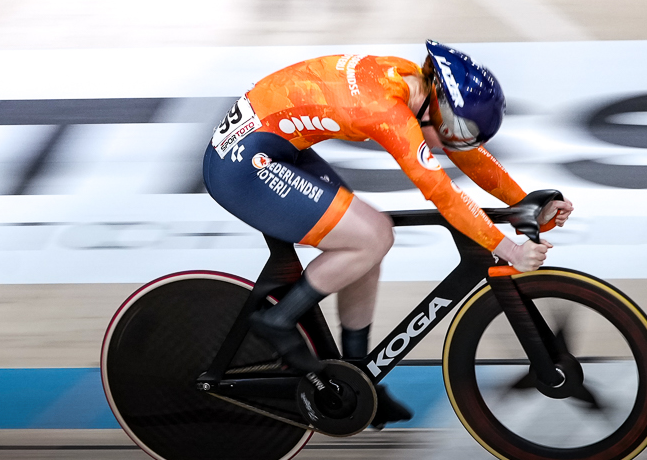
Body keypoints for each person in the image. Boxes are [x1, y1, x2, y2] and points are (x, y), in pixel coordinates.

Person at [202, 42, 572, 426]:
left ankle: (360, 377)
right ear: (437, 105)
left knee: (370, 240)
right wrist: (508, 247)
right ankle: (278, 319)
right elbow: (442, 192)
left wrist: (524, 202)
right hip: (243, 165)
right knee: (372, 236)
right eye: (457, 128)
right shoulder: (387, 111)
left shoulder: (414, 85)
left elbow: (464, 152)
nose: (456, 140)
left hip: (270, 146)